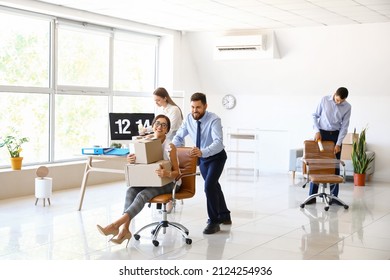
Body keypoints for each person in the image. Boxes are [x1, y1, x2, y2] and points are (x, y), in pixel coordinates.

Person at [96, 114, 181, 247]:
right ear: (152, 126)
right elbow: (142, 163)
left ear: (167, 130)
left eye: (164, 125)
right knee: (131, 191)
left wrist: (167, 173)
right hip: (152, 180)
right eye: (157, 123)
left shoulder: (170, 147)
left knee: (143, 195)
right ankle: (124, 230)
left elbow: (178, 174)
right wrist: (131, 159)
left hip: (171, 183)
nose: (160, 127)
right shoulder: (146, 142)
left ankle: (115, 225)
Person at [172, 92, 231, 234]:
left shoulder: (214, 120)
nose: (194, 110)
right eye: (192, 107)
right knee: (214, 186)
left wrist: (202, 152)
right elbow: (179, 136)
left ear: (205, 106)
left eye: (198, 107)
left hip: (216, 157)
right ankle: (224, 215)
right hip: (202, 159)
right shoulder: (188, 119)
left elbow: (218, 143)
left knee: (209, 185)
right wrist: (172, 147)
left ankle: (214, 221)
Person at [307, 87, 351, 204]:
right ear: (334, 94)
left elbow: (344, 127)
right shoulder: (324, 100)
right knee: (317, 164)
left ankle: (333, 197)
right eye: (337, 100)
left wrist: (338, 143)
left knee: (335, 166)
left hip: (335, 136)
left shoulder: (347, 107)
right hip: (321, 134)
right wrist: (316, 131)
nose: (339, 103)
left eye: (341, 101)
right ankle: (312, 196)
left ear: (345, 99)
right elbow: (314, 115)